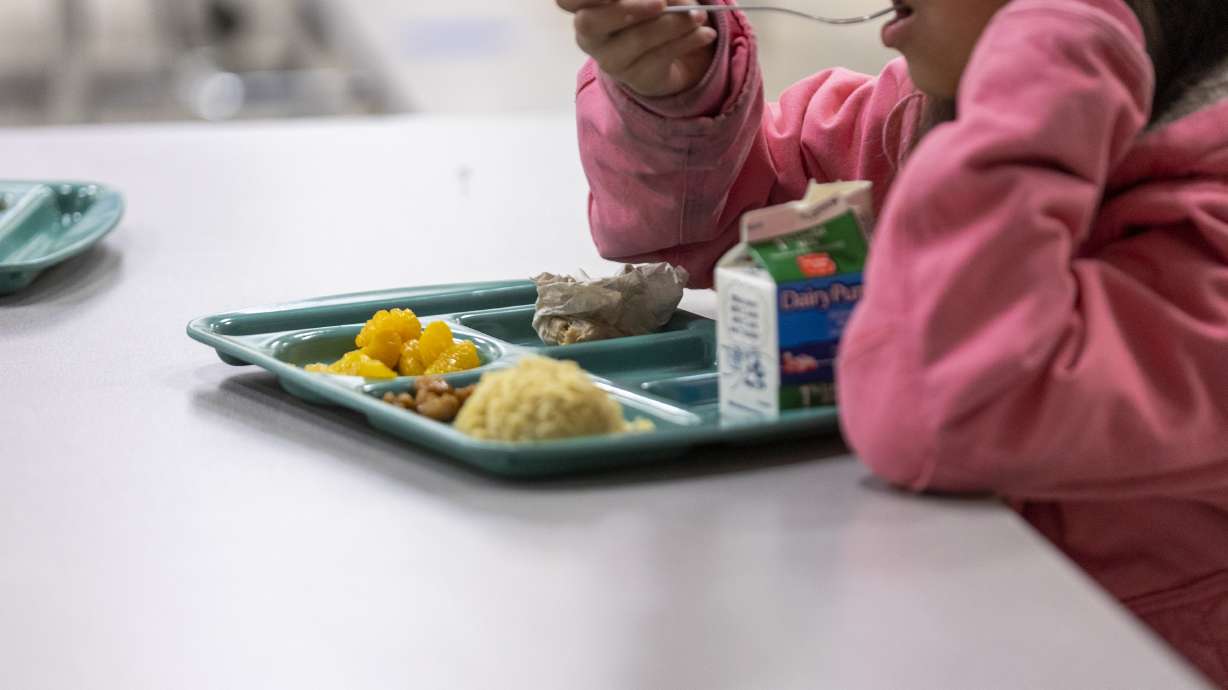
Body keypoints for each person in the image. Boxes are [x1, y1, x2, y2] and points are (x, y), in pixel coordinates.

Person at [557, 0, 1228, 684]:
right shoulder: (934, 113)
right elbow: (741, 220)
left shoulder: (1208, 227)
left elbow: (947, 412)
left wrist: (1054, 47)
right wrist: (681, 94)